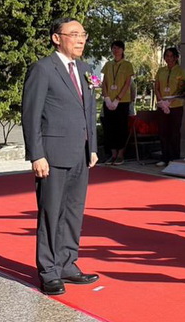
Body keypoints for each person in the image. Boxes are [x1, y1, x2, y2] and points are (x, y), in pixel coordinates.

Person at [21, 18, 100, 295]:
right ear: (57, 38)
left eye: (83, 35)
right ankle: (49, 271)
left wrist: (92, 146)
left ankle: (67, 263)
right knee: (51, 214)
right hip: (52, 155)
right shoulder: (43, 69)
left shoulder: (86, 69)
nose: (80, 40)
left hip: (80, 153)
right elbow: (31, 115)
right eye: (74, 34)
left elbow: (89, 111)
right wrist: (36, 154)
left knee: (73, 212)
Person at [101, 40, 134, 165]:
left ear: (123, 50)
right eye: (114, 48)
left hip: (122, 101)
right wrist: (107, 97)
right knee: (110, 128)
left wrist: (118, 98)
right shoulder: (108, 64)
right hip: (109, 100)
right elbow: (104, 82)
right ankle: (113, 154)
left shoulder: (127, 65)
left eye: (118, 48)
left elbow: (127, 83)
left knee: (121, 128)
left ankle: (120, 154)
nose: (116, 50)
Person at [154, 47, 185, 167]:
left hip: (176, 106)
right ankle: (165, 157)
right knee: (163, 132)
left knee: (174, 132)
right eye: (166, 56)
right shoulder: (161, 70)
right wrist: (162, 102)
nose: (169, 58)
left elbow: (182, 89)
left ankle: (174, 158)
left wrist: (170, 102)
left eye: (171, 56)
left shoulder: (180, 71)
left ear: (176, 57)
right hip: (162, 106)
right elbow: (156, 87)